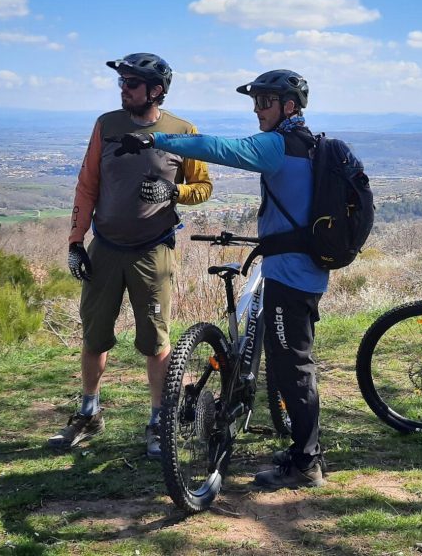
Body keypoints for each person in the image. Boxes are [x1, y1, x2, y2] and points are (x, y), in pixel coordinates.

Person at [115, 69, 328, 489]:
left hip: (291, 273)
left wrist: (157, 140)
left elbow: (219, 148)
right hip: (305, 268)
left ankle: (307, 464)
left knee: (293, 368)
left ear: (289, 107)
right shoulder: (310, 144)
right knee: (290, 362)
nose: (257, 110)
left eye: (264, 102)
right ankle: (304, 452)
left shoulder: (279, 145)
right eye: (255, 102)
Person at [48, 53, 213, 459]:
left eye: (131, 84)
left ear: (156, 90)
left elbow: (204, 187)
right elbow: (87, 185)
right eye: (121, 83)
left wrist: (173, 192)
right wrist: (75, 242)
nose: (123, 89)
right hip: (104, 248)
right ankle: (89, 413)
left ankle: (158, 421)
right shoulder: (107, 125)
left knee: (156, 342)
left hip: (153, 251)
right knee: (94, 337)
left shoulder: (182, 131)